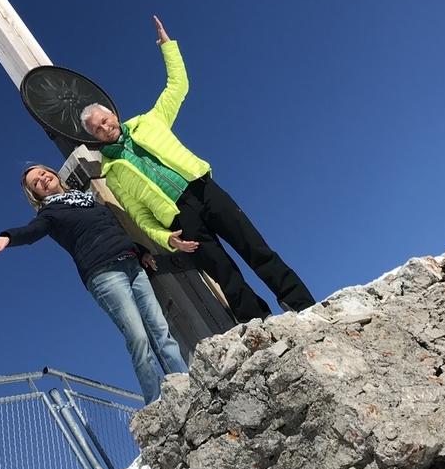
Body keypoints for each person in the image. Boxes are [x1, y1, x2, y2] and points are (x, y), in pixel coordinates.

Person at [80, 16, 315, 322]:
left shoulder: (150, 121)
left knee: (255, 247)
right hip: (179, 218)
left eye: (105, 120)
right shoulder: (112, 173)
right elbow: (139, 215)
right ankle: (262, 324)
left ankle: (301, 303)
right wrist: (167, 239)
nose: (105, 128)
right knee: (223, 272)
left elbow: (178, 86)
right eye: (97, 129)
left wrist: (168, 47)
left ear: (113, 113)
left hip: (203, 189)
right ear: (94, 137)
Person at [0, 164, 187, 404]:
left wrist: (140, 251)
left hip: (132, 265)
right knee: (138, 337)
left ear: (54, 173)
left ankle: (185, 383)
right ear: (36, 195)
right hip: (104, 274)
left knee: (160, 329)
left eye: (43, 173)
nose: (43, 179)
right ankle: (156, 401)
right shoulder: (50, 214)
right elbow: (32, 231)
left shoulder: (89, 201)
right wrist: (9, 237)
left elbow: (112, 230)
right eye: (36, 183)